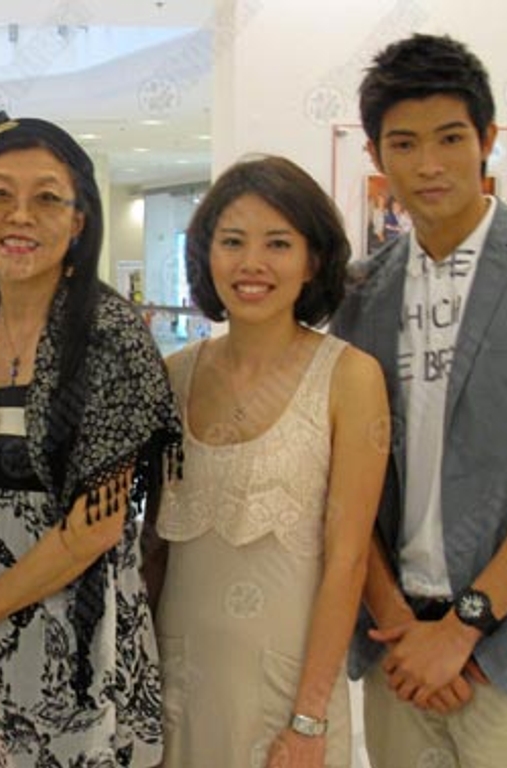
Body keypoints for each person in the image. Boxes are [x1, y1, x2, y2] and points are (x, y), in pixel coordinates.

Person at [0, 112, 182, 767]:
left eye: (47, 198)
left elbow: (96, 524)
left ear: (80, 219)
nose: (20, 216)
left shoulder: (112, 337)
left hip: (79, 643)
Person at [331, 33, 507, 767]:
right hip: (398, 652)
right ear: (375, 154)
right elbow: (345, 479)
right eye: (404, 143)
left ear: (487, 139)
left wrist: (464, 629)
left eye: (451, 138)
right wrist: (398, 622)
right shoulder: (360, 294)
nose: (429, 164)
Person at [153, 155, 389, 767]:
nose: (251, 263)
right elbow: (154, 551)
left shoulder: (350, 378)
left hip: (287, 692)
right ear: (206, 255)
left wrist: (309, 718)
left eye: (277, 243)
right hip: (178, 684)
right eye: (232, 242)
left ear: (312, 261)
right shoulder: (173, 376)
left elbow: (349, 560)